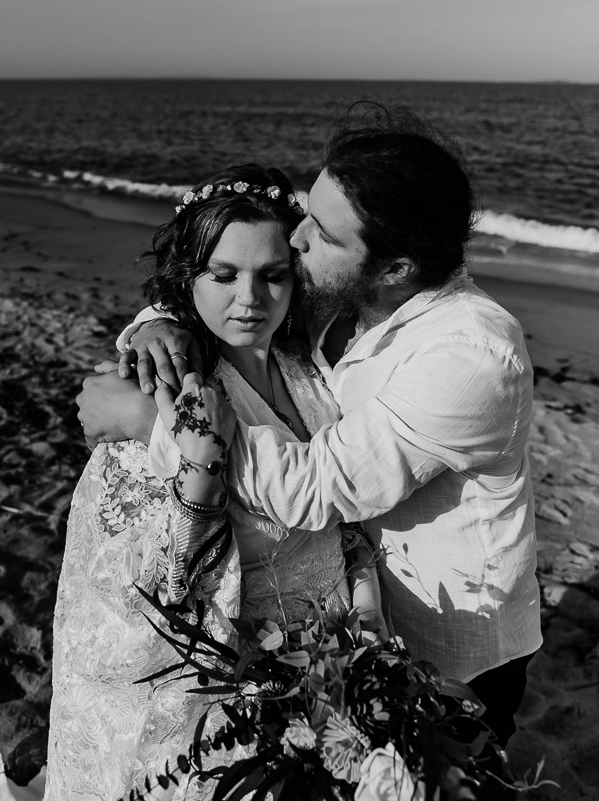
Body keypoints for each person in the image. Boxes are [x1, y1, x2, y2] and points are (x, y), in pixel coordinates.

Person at [78, 103, 542, 748]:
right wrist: (157, 323)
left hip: (452, 636)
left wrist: (144, 419)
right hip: (345, 628)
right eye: (305, 213)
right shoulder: (339, 295)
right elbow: (226, 272)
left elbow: (310, 488)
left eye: (319, 233)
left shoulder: (471, 357)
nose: (296, 240)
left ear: (397, 267)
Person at [45, 164, 384, 801]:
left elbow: (346, 518)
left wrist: (362, 641)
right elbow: (149, 584)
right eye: (223, 276)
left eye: (273, 275)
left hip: (330, 672)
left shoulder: (309, 373)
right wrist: (199, 468)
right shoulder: (160, 392)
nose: (249, 300)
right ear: (188, 279)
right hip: (224, 687)